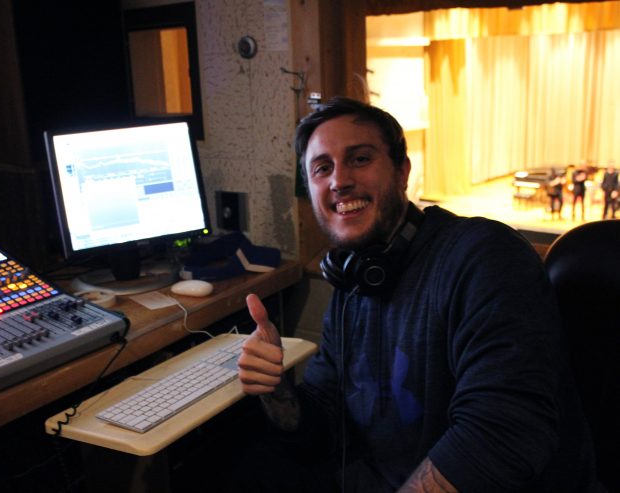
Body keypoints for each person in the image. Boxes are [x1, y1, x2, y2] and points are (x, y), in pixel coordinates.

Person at [237, 97, 600, 492]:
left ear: (402, 172)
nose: (339, 180)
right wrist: (276, 389)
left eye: (360, 159)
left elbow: (503, 432)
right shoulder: (352, 283)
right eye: (322, 168)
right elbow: (322, 427)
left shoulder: (484, 256)